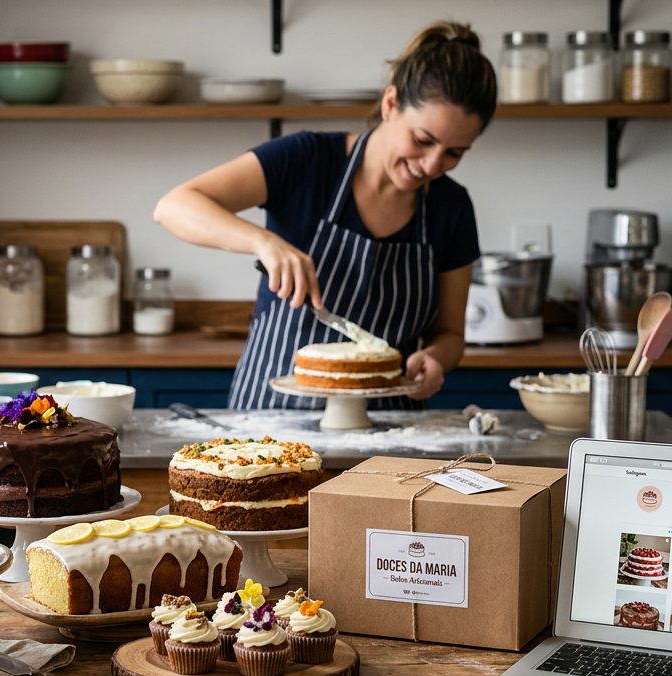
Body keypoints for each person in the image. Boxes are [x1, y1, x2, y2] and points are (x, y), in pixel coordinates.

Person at [153, 21, 497, 410]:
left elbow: (451, 333)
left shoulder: (451, 208)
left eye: (454, 153)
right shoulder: (306, 161)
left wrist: (436, 359)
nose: (432, 164)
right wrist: (263, 242)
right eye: (422, 140)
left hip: (386, 431)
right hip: (271, 424)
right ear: (390, 104)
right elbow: (175, 205)